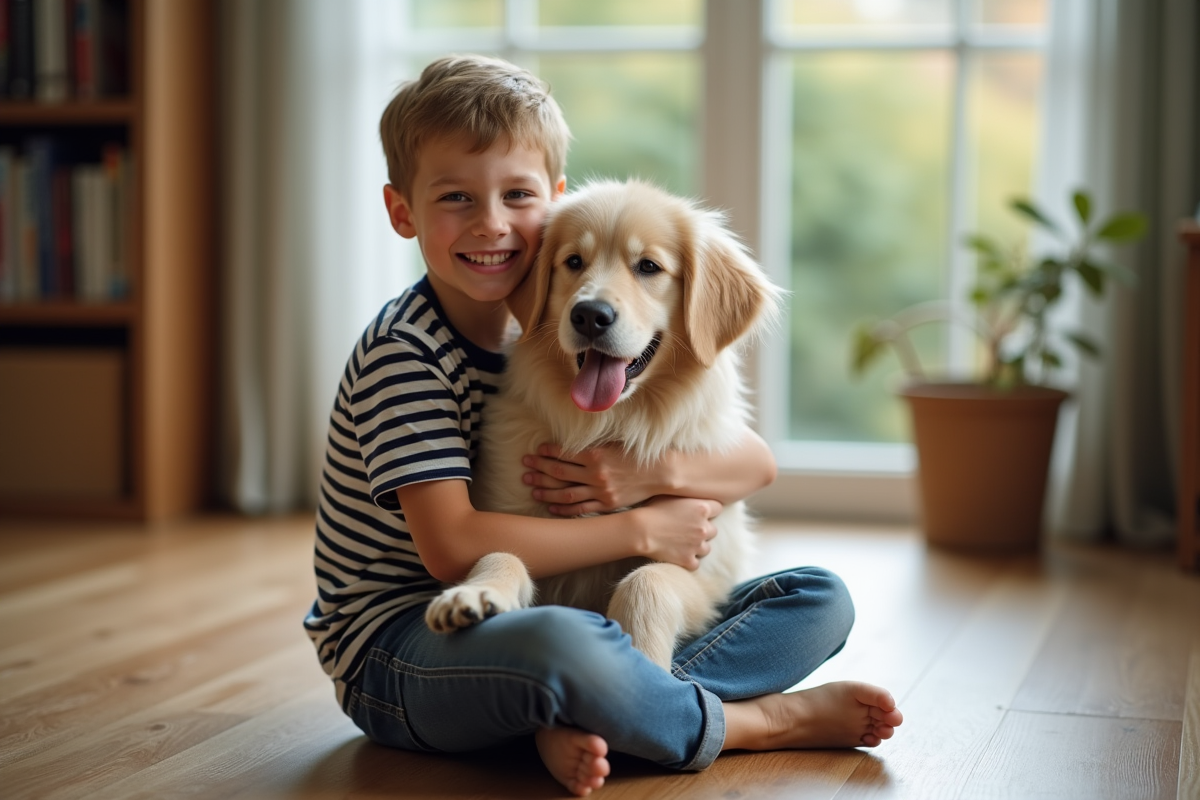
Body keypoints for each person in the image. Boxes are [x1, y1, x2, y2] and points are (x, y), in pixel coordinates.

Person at [304, 54, 903, 797]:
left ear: (547, 202)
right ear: (404, 212)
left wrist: (647, 479)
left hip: (552, 644)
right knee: (565, 640)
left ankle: (590, 714)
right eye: (456, 197)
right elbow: (457, 547)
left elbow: (751, 463)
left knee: (817, 598)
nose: (597, 300)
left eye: (647, 268)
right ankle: (756, 722)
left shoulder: (509, 334)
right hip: (404, 652)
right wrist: (643, 532)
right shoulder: (411, 353)